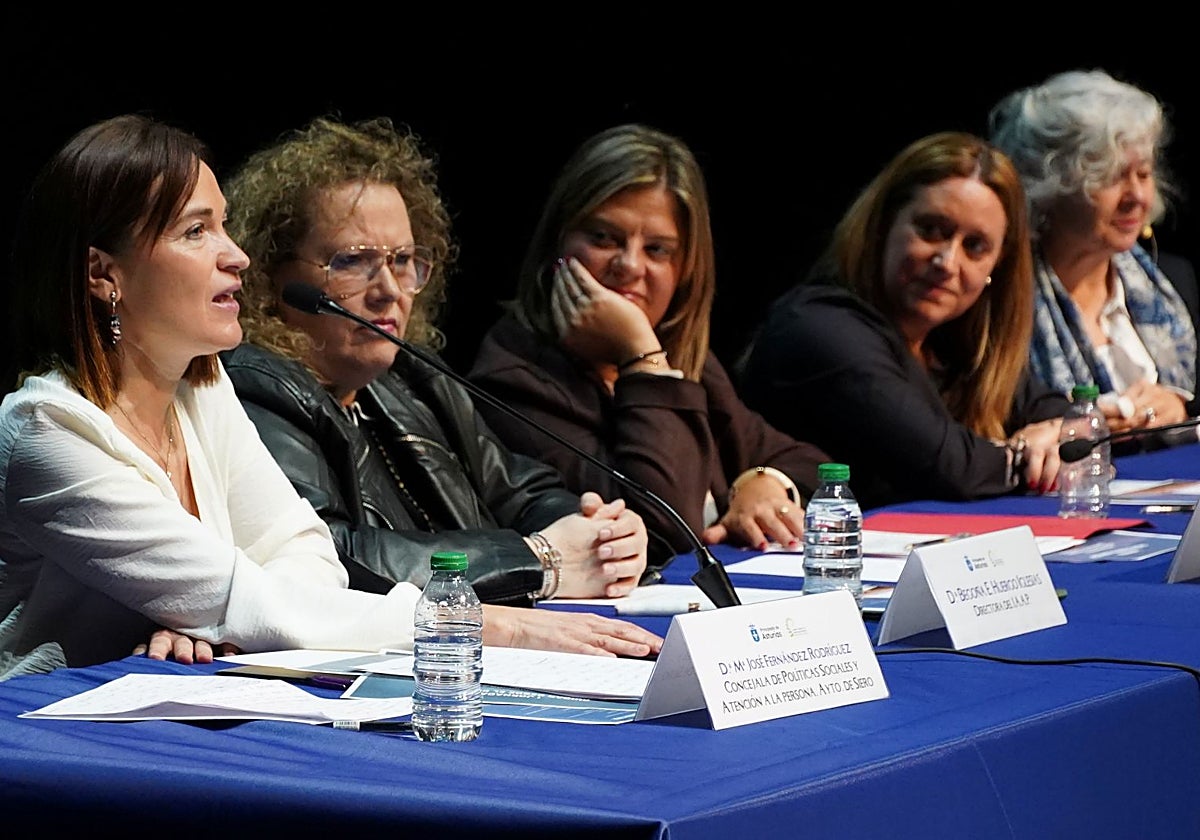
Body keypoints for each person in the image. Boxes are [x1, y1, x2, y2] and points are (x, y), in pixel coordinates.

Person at [0, 114, 660, 677]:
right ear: (103, 274)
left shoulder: (202, 389)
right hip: (38, 742)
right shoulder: (45, 432)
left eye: (224, 226)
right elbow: (243, 594)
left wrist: (242, 619)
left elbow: (303, 550)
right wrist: (495, 627)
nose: (236, 256)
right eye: (196, 231)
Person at [219, 116, 659, 621]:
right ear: (272, 276)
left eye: (403, 260)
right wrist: (539, 558)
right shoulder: (255, 388)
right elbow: (330, 555)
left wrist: (601, 534)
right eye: (353, 261)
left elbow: (521, 491)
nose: (389, 290)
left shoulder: (411, 380)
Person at [466, 123, 829, 567]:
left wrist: (763, 482)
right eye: (604, 238)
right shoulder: (513, 379)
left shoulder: (688, 362)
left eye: (657, 249)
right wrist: (640, 352)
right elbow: (662, 528)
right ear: (557, 244)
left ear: (685, 270)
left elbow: (812, 465)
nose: (629, 265)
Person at [739, 131, 1071, 510]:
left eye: (975, 246)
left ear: (996, 266)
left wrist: (1060, 433)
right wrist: (1027, 454)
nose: (947, 262)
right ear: (882, 225)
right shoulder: (819, 328)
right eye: (931, 230)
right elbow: (950, 466)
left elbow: (1056, 412)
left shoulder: (955, 343)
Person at [988, 68, 1200, 445]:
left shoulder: (1174, 280)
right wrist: (1078, 428)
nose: (1137, 197)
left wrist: (1179, 409)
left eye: (1144, 174)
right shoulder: (997, 299)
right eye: (1111, 177)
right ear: (1049, 186)